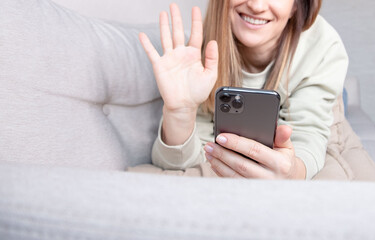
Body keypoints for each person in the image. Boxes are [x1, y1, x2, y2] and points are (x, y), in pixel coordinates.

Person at [138, 0, 348, 180]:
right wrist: (179, 112)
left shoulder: (323, 44)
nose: (256, 6)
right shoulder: (196, 54)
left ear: (296, 6)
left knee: (339, 113)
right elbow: (183, 159)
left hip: (313, 87)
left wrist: (292, 172)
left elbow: (309, 135)